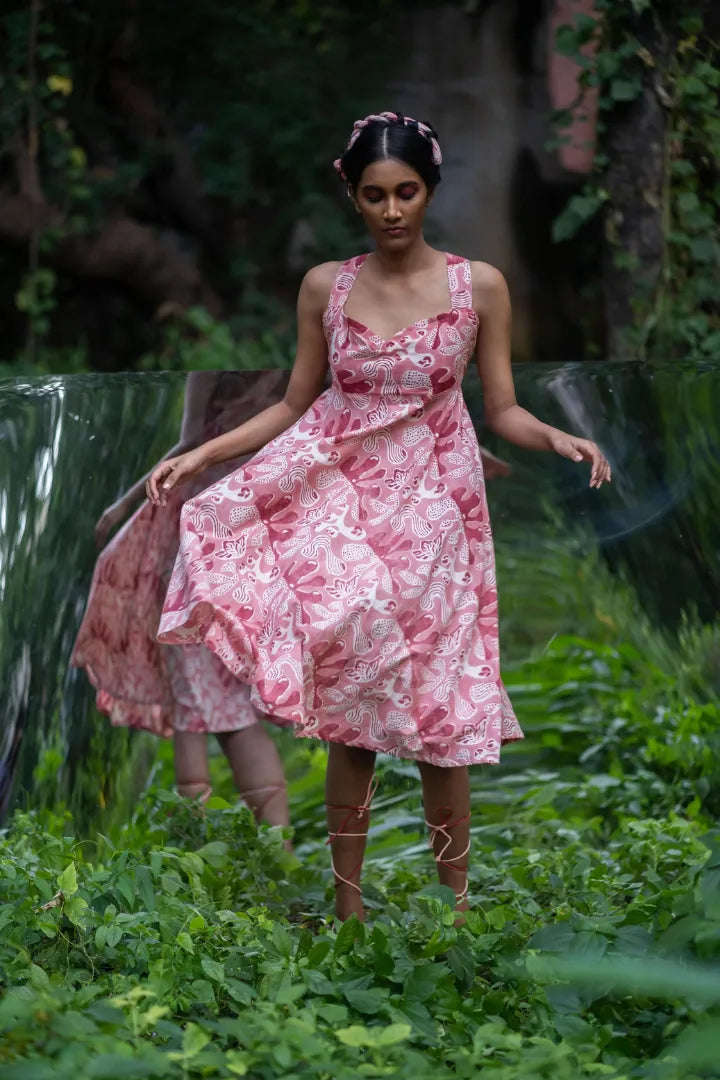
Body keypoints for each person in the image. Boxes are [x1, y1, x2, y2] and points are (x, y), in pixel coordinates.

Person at [147, 111, 611, 921]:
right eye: (374, 195)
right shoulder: (328, 285)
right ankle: (350, 911)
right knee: (352, 714)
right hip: (338, 502)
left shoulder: (479, 286)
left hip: (437, 513)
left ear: (430, 190)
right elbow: (297, 401)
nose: (392, 210)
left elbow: (500, 408)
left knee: (438, 713)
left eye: (407, 192)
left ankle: (454, 910)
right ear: (352, 197)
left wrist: (557, 434)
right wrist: (203, 455)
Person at [72, 370, 291, 827]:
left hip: (209, 516)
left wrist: (125, 503)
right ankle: (275, 857)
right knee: (226, 690)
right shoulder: (303, 353)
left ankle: (208, 855)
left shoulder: (210, 368)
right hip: (269, 517)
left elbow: (189, 442)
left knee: (198, 690)